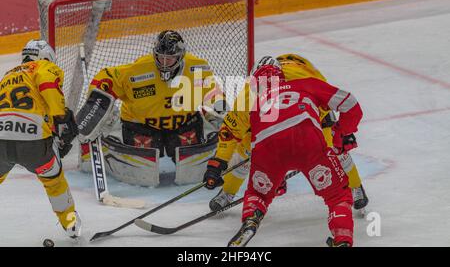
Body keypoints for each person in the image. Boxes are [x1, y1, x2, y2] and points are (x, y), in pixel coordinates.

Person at [203, 56, 363, 247]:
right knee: (337, 192)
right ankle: (343, 235)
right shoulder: (306, 81)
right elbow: (349, 104)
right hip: (308, 137)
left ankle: (250, 219)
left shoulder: (250, 95)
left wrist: (218, 162)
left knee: (257, 191)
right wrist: (341, 134)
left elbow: (230, 132)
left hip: (267, 146)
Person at [78, 30, 226, 185]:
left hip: (183, 124)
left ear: (181, 56)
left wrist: (218, 103)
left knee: (193, 169)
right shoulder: (139, 69)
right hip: (142, 126)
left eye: (169, 59)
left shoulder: (196, 67)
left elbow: (210, 88)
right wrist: (95, 104)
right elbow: (106, 76)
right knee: (142, 173)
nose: (163, 63)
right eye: (160, 57)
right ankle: (107, 141)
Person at [0, 40, 81, 239]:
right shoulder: (44, 66)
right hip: (34, 144)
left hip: (0, 139)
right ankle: (71, 226)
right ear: (46, 57)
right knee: (54, 180)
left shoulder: (7, 76)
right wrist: (61, 117)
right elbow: (47, 83)